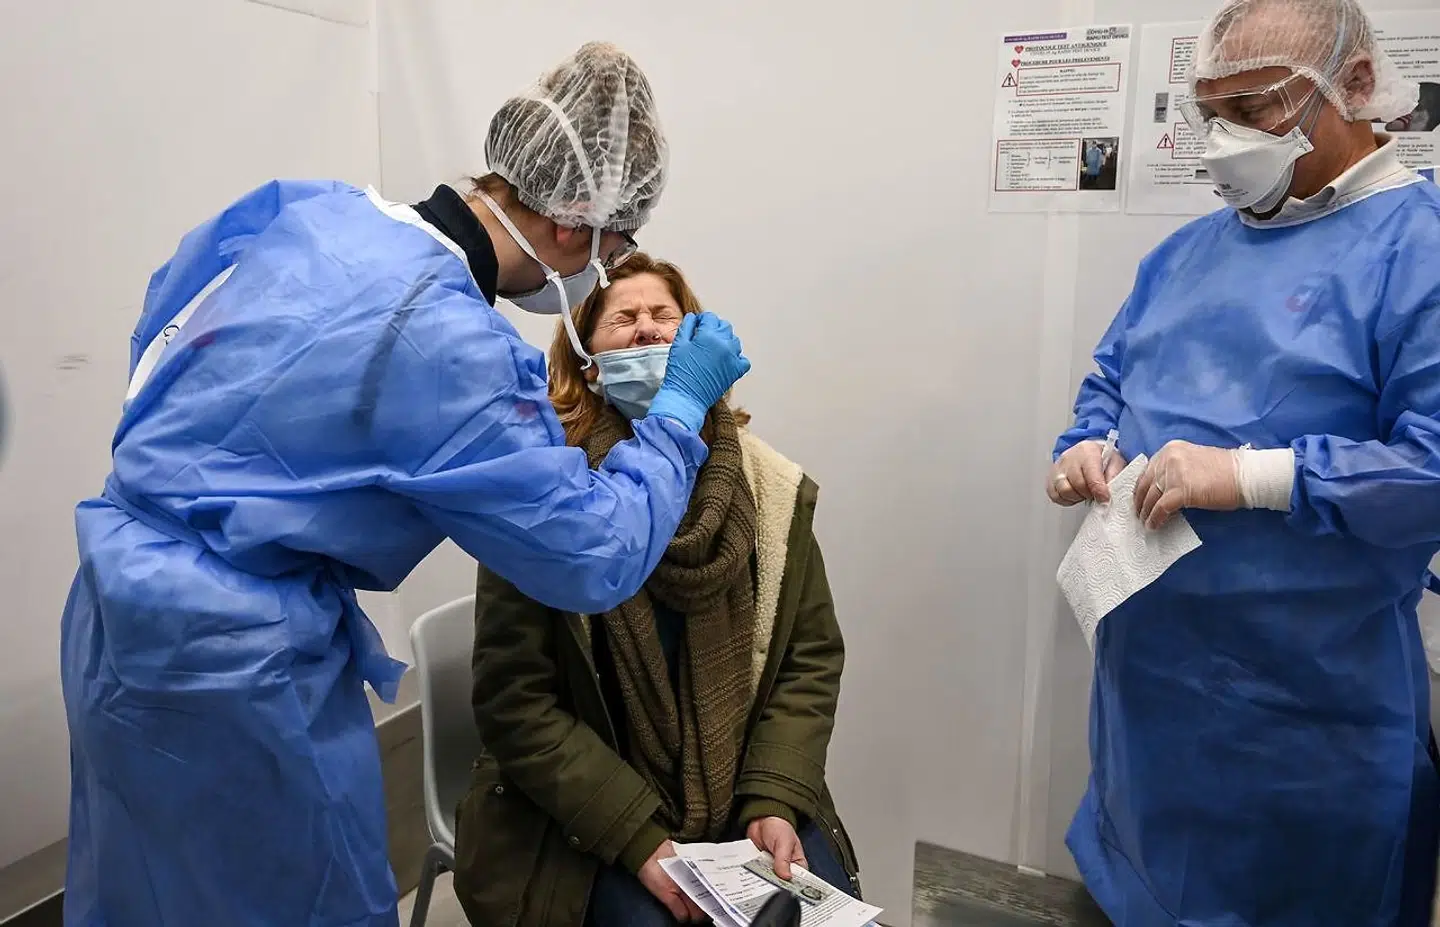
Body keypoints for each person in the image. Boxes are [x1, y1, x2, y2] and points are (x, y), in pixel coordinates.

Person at [60, 43, 751, 927]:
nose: (609, 277)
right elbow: (594, 553)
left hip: (113, 605)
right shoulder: (449, 344)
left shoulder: (316, 214)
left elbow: (162, 335)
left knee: (137, 895)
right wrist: (680, 409)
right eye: (617, 252)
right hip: (234, 673)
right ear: (576, 226)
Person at [1047, 1, 1440, 924]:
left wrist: (1256, 478)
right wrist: (1083, 448)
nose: (1226, 141)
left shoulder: (1417, 252)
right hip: (1151, 708)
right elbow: (1110, 377)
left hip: (1309, 729)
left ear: (1355, 87)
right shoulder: (1184, 255)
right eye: (1211, 111)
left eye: (1256, 110)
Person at [452, 254, 859, 927]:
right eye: (624, 319)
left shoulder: (773, 495)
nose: (647, 330)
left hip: (740, 789)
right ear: (588, 363)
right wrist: (638, 839)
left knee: (813, 915)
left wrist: (774, 797)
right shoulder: (546, 494)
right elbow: (516, 701)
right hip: (585, 814)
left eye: (664, 316)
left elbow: (808, 661)